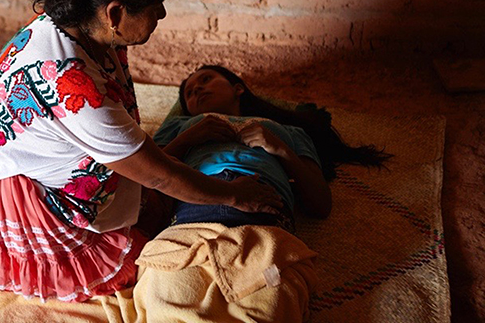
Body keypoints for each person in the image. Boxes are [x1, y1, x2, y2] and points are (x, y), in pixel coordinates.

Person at [0, 0, 281, 302]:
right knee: (129, 268)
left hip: (0, 165)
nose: (162, 12)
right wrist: (234, 195)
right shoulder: (75, 88)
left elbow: (131, 151)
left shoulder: (78, 27)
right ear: (115, 12)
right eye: (155, 4)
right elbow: (160, 175)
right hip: (8, 191)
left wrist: (179, 146)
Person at [153, 65, 392, 232]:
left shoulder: (289, 131)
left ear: (238, 88)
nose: (197, 90)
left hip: (263, 201)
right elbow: (148, 176)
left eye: (206, 79)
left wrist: (280, 149)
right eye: (189, 93)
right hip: (196, 197)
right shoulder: (180, 125)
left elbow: (321, 205)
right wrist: (188, 137)